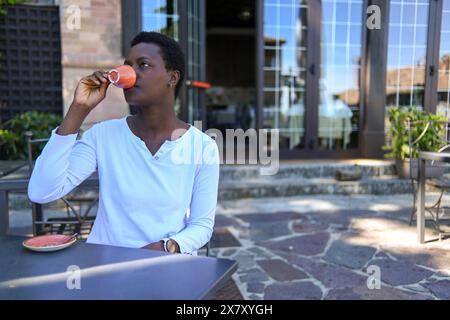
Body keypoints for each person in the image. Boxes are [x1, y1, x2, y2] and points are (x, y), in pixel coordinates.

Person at [28, 32, 220, 255]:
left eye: (143, 65)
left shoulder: (203, 147)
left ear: (173, 78)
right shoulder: (102, 136)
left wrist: (164, 248)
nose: (128, 73)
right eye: (127, 65)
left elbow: (202, 226)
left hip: (167, 268)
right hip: (106, 268)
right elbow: (41, 191)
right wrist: (79, 109)